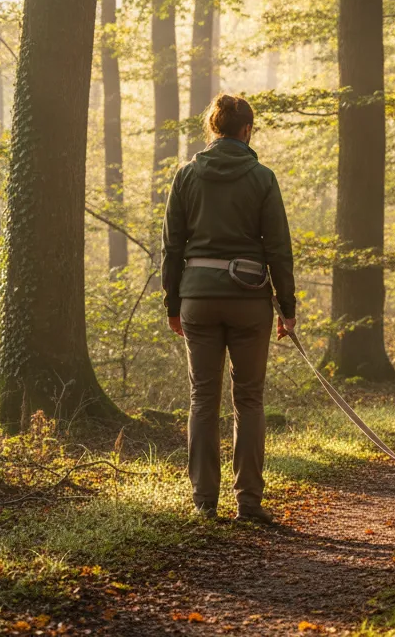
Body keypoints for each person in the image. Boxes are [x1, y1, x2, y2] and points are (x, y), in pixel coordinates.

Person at [162, 94, 296, 522]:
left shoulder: (185, 175)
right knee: (249, 400)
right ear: (246, 130)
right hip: (249, 301)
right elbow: (278, 248)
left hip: (198, 298)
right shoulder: (262, 177)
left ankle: (204, 501)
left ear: (214, 129)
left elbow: (172, 248)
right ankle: (249, 502)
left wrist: (173, 303)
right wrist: (287, 307)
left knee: (203, 398)